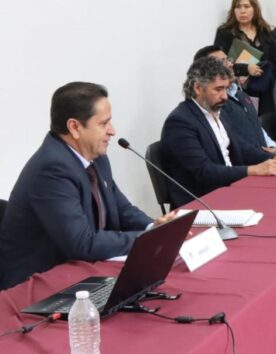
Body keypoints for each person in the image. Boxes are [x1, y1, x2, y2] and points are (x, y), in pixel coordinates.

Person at [0, 82, 177, 289]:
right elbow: (82, 243)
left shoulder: (95, 156)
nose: (112, 131)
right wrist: (145, 239)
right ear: (74, 127)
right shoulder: (51, 170)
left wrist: (153, 227)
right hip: (35, 285)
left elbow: (122, 209)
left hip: (81, 271)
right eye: (104, 123)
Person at [161, 57, 276, 208]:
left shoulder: (217, 111)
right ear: (198, 88)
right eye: (218, 89)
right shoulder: (180, 122)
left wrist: (274, 158)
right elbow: (204, 171)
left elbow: (240, 147)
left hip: (230, 188)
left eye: (226, 88)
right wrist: (253, 170)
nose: (225, 96)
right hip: (202, 201)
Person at [193, 45, 276, 164]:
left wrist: (273, 147)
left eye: (228, 60)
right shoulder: (213, 104)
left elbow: (257, 126)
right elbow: (233, 142)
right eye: (222, 62)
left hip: (266, 161)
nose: (230, 64)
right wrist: (266, 156)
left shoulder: (241, 94)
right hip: (245, 167)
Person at [214, 0, 276, 115]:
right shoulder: (225, 33)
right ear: (233, 11)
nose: (242, 11)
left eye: (246, 6)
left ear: (255, 9)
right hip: (237, 90)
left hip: (265, 91)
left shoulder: (265, 32)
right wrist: (246, 68)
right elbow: (218, 63)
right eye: (238, 7)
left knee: (263, 122)